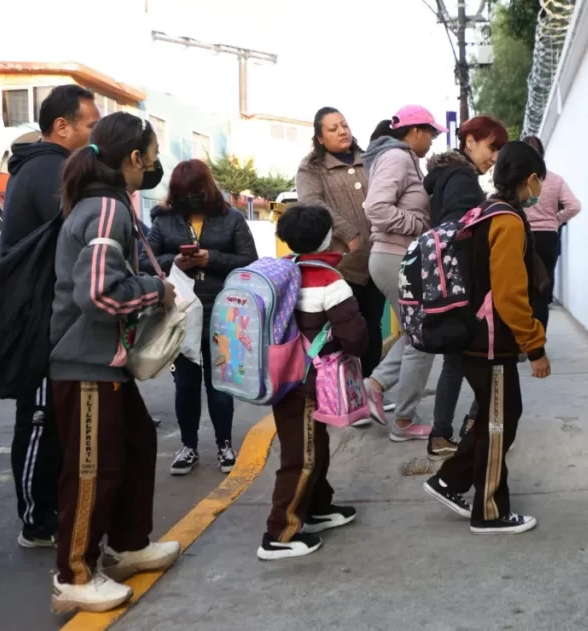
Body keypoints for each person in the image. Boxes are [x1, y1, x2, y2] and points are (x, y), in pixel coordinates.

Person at [49, 112, 180, 613]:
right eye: (151, 157)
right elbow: (99, 294)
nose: (153, 166)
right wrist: (156, 290)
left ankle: (127, 546)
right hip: (85, 364)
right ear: (134, 158)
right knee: (92, 468)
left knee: (136, 445)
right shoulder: (106, 210)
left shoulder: (105, 205)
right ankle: (75, 574)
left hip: (105, 364)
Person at [422, 141, 551, 535]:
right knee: (500, 422)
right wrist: (535, 346)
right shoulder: (507, 221)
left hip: (475, 335)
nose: (539, 190)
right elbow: (510, 295)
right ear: (531, 179)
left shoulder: (485, 211)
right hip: (490, 340)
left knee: (497, 416)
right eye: (539, 182)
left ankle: (450, 479)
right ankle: (489, 511)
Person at [0, 85, 100, 549]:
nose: (95, 135)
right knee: (40, 419)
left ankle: (50, 511)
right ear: (62, 126)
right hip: (39, 319)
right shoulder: (48, 170)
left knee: (53, 420)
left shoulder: (44, 166)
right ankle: (36, 521)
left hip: (45, 314)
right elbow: (77, 236)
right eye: (90, 126)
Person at [259, 204, 368, 560]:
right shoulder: (329, 281)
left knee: (312, 445)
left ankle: (317, 507)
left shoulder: (282, 272)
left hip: (281, 376)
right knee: (301, 457)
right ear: (327, 237)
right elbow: (354, 336)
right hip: (307, 383)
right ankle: (279, 533)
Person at [143, 159, 259, 476]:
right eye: (184, 194)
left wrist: (212, 259)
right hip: (181, 315)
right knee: (185, 385)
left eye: (195, 192)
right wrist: (175, 262)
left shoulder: (231, 218)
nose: (190, 199)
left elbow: (250, 261)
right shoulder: (164, 220)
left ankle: (224, 445)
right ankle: (188, 446)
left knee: (220, 386)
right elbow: (145, 260)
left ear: (206, 189)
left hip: (223, 314)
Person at [424, 116, 508, 459]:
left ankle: (443, 434)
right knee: (485, 356)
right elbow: (456, 231)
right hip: (463, 283)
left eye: (500, 151)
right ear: (470, 141)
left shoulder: (449, 174)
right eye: (492, 147)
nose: (495, 157)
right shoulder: (461, 177)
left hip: (450, 281)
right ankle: (470, 426)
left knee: (456, 361)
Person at [361, 106, 445, 442]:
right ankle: (404, 421)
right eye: (431, 133)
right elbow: (376, 208)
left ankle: (375, 386)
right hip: (394, 257)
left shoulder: (404, 159)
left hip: (396, 257)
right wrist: (419, 226)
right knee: (424, 337)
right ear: (414, 131)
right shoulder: (397, 157)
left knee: (416, 334)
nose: (433, 140)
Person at [296, 107, 385, 391]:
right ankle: (345, 394)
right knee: (344, 332)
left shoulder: (369, 159)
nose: (342, 131)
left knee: (372, 327)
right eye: (333, 129)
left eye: (344, 125)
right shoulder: (311, 168)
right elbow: (312, 203)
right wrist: (348, 232)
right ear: (320, 138)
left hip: (376, 260)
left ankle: (369, 391)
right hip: (341, 266)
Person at [521, 136, 582, 328]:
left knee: (522, 288)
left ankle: (523, 337)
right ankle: (539, 339)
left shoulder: (518, 180)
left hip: (522, 236)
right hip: (548, 238)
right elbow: (574, 206)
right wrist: (556, 220)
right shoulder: (555, 180)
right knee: (542, 290)